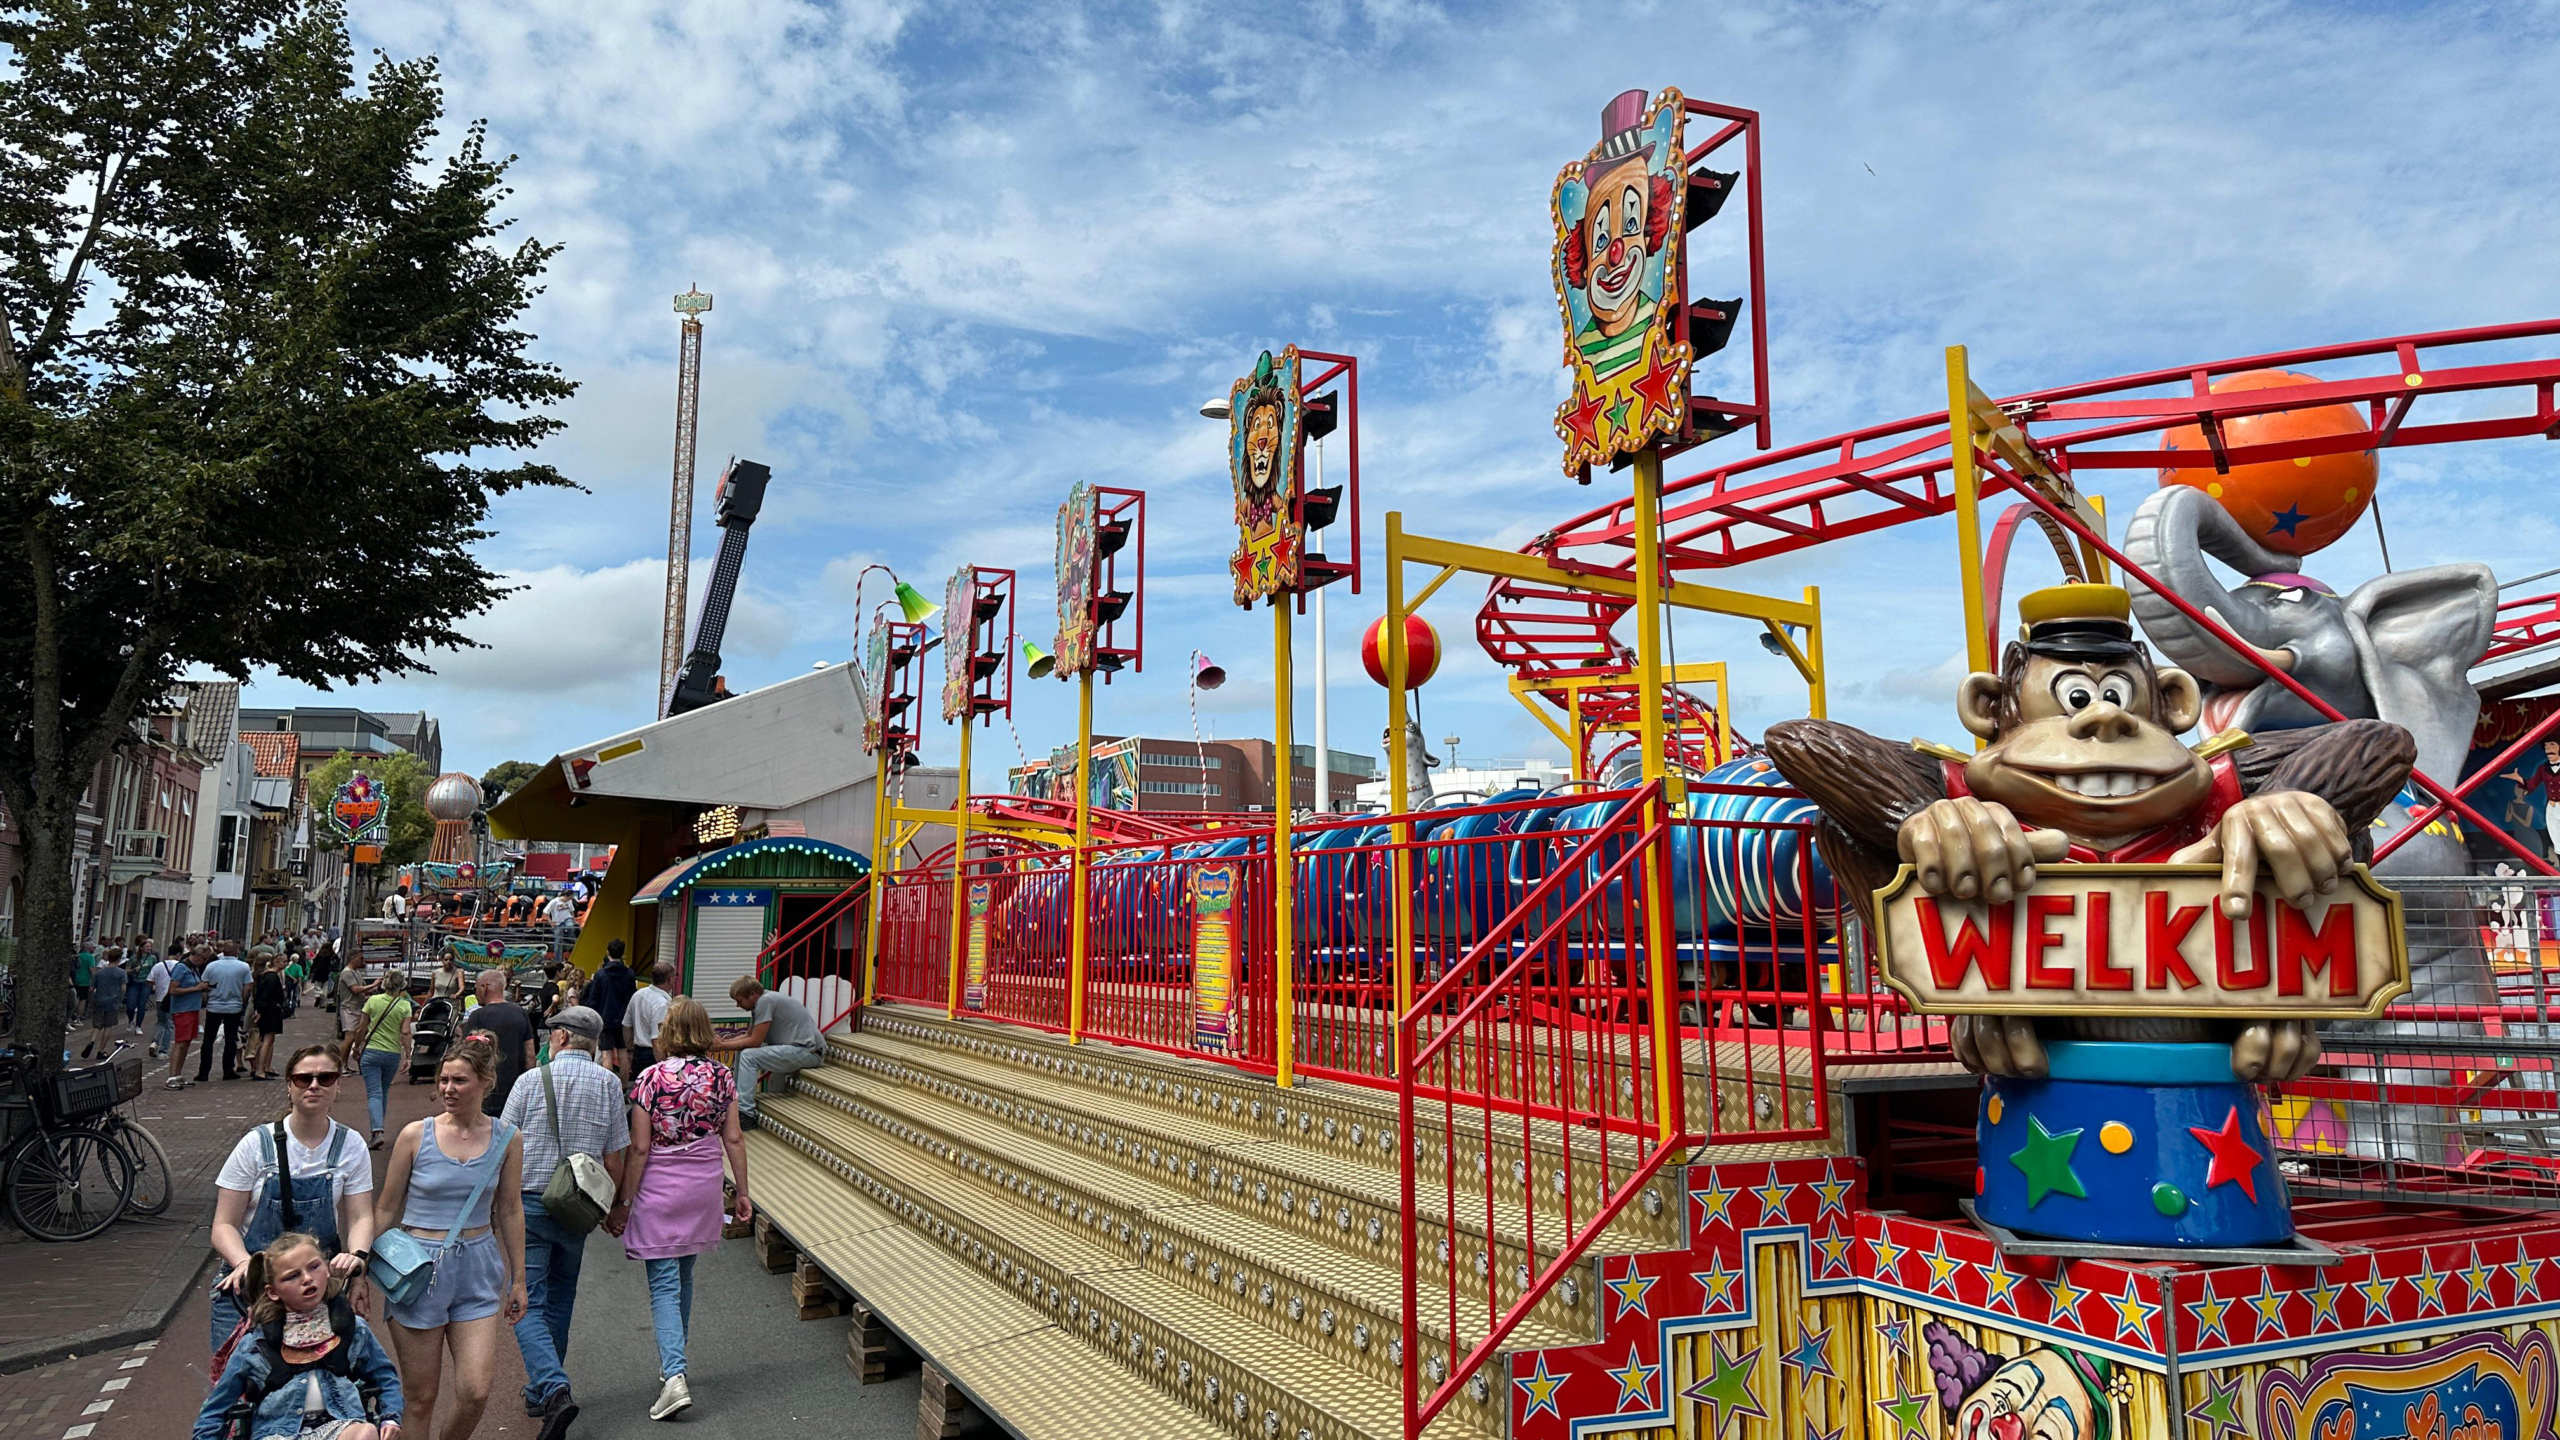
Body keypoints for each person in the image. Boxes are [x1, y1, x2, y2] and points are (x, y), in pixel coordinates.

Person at [373, 1037, 527, 1440]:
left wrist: (520, 1277)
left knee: (475, 1391)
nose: (447, 1089)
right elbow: (387, 1207)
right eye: (443, 1080)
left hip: (478, 1267)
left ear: (485, 1082)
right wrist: (362, 1270)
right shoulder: (414, 1136)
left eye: (459, 1081)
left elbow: (510, 1209)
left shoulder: (508, 1138)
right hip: (418, 1269)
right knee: (421, 1397)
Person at [609, 997, 751, 1421]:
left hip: (660, 1190)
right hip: (703, 1186)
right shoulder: (722, 1077)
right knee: (684, 1275)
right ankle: (675, 1364)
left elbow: (639, 1147)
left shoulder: (650, 1079)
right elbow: (735, 1139)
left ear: (668, 1032)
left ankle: (674, 1376)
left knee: (664, 1285)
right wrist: (742, 1191)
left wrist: (625, 1202)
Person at [500, 1006, 628, 1436]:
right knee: (561, 1296)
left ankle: (553, 1389)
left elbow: (503, 1145)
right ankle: (542, 1393)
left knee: (526, 1299)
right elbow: (615, 1154)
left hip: (529, 1203)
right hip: (579, 1207)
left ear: (560, 1038)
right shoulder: (610, 1083)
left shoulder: (529, 1081)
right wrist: (611, 1208)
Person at [209, 1045, 377, 1349]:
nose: (314, 1085)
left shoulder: (351, 1145)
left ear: (338, 1085)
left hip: (313, 1291)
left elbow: (361, 1216)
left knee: (326, 1385)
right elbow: (223, 1225)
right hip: (251, 1291)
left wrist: (357, 1260)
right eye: (303, 1079)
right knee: (235, 1388)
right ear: (289, 1086)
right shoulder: (255, 1145)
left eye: (325, 1078)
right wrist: (243, 1263)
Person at [193, 1232, 404, 1440]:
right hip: (277, 1433)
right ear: (273, 1292)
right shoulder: (255, 1345)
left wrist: (391, 1417)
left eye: (314, 1267)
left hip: (339, 1425)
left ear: (327, 1269)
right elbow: (214, 1411)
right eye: (292, 1276)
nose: (307, 1278)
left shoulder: (354, 1329)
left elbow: (386, 1378)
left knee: (365, 1433)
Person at [709, 977, 824, 1125]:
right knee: (744, 1051)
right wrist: (723, 1042)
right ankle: (736, 1104)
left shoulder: (766, 1001)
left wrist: (721, 1046)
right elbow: (749, 1035)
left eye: (740, 1000)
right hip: (798, 1049)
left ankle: (746, 1113)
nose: (738, 1005)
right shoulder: (762, 1002)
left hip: (809, 1052)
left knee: (749, 1056)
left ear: (753, 995)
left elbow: (755, 1042)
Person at [348, 980, 414, 1149]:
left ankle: (377, 1131)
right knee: (383, 1092)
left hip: (371, 1051)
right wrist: (408, 1056)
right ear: (401, 986)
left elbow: (361, 1028)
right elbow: (405, 1032)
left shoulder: (373, 1001)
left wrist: (356, 1047)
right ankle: (377, 1129)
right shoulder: (405, 1005)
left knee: (374, 1093)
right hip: (392, 1053)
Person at [464, 969, 534, 1118]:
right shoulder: (520, 1012)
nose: (475, 993)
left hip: (486, 1090)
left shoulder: (477, 1016)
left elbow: (466, 1054)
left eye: (475, 988)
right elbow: (530, 1055)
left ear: (484, 987)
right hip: (515, 1089)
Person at [200, 943, 257, 1083]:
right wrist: (241, 1001)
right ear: (236, 952)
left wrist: (207, 1001)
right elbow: (247, 987)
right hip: (233, 1006)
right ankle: (228, 1070)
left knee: (208, 1039)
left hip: (214, 1006)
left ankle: (203, 1072)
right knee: (231, 1039)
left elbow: (204, 985)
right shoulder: (243, 967)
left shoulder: (211, 966)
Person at [584, 942, 635, 1080]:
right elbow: (631, 996)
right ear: (623, 953)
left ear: (608, 952)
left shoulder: (601, 975)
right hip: (624, 1018)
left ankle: (608, 1085)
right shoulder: (629, 974)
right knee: (623, 1053)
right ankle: (624, 1087)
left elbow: (594, 999)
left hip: (604, 1018)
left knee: (606, 1054)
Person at [164, 947, 209, 1089]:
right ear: (197, 956)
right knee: (180, 1042)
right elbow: (173, 990)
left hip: (192, 1008)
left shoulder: (193, 968)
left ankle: (178, 1074)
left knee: (187, 1042)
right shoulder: (181, 968)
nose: (204, 962)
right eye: (204, 959)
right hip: (183, 1009)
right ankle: (171, 1076)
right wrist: (195, 989)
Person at [624, 963, 672, 1076]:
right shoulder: (661, 1004)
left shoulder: (638, 995)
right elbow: (657, 1040)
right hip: (653, 1056)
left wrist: (630, 1051)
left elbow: (627, 1026)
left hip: (638, 1053)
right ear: (670, 979)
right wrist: (663, 1067)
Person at [250, 954, 289, 1080]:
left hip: (267, 1010)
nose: (286, 963)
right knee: (267, 1041)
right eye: (283, 961)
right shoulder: (272, 978)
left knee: (266, 1040)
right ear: (276, 962)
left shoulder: (264, 976)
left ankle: (261, 1067)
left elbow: (259, 994)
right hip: (270, 1012)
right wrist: (261, 1010)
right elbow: (266, 996)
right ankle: (260, 1069)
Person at [545, 892, 576, 966]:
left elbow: (571, 911)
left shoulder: (570, 901)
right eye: (569, 897)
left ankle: (572, 940)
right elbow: (545, 912)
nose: (570, 899)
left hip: (567, 919)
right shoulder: (554, 902)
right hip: (558, 923)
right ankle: (558, 960)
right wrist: (550, 922)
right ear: (565, 896)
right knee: (558, 942)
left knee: (570, 926)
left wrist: (573, 919)